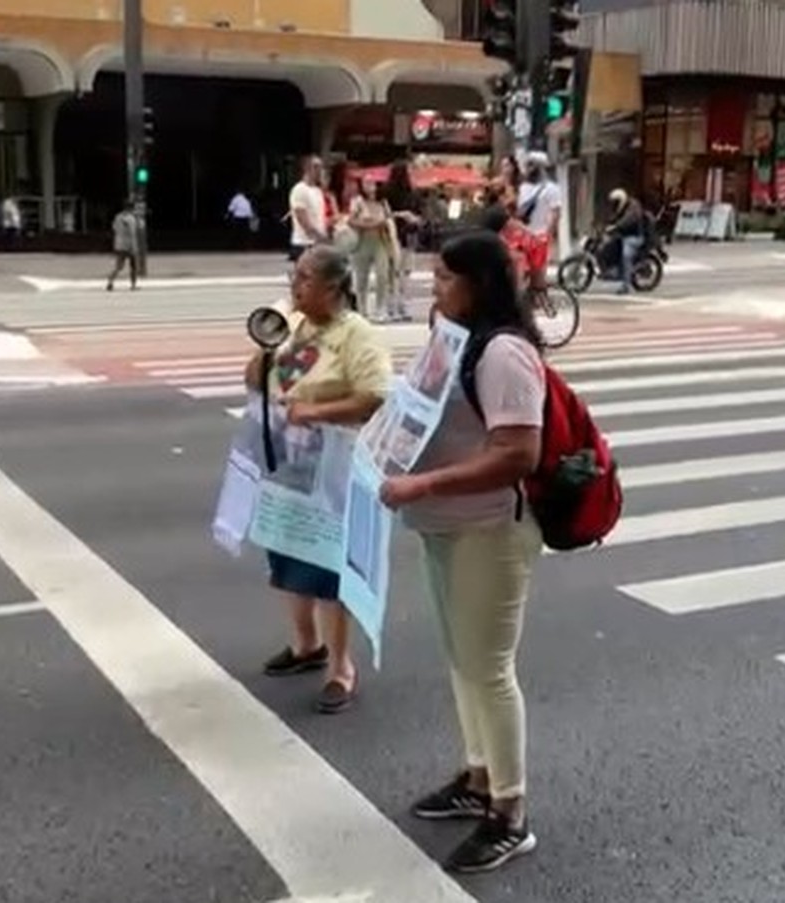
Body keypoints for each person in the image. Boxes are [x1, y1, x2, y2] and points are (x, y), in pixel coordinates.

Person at [379, 231, 546, 874]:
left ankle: (510, 812)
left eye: (445, 277)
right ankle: (478, 779)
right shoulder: (454, 342)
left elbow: (517, 454)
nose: (433, 286)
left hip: (490, 530)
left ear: (478, 283)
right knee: (462, 660)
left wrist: (420, 484)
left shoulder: (504, 352)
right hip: (446, 525)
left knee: (490, 669)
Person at [244, 245, 393, 714]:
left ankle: (340, 667)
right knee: (289, 554)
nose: (295, 284)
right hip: (290, 464)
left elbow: (374, 396)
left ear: (332, 287)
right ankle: (306, 645)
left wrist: (317, 411)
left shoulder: (356, 335)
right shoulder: (300, 331)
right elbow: (256, 382)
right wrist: (267, 345)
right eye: (295, 275)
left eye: (305, 278)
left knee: (328, 567)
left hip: (335, 466)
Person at [348, 177, 394, 322]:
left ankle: (381, 309)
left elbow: (389, 219)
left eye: (373, 183)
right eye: (366, 183)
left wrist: (385, 224)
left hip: (380, 242)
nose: (370, 186)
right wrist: (369, 224)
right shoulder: (357, 202)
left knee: (382, 275)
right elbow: (351, 220)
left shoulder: (383, 202)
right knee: (361, 277)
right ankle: (362, 310)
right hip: (362, 242)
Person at [384, 160, 422, 322]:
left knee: (404, 272)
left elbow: (420, 216)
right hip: (393, 234)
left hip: (407, 235)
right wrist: (402, 215)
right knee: (394, 271)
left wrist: (414, 218)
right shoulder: (387, 192)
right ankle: (393, 305)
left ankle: (401, 304)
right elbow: (384, 213)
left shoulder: (414, 193)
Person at [480, 202, 548, 293]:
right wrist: (534, 235)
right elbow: (517, 225)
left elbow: (515, 228)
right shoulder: (502, 215)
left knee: (517, 255)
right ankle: (517, 289)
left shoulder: (499, 213)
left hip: (487, 240)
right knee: (518, 258)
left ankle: (516, 285)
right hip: (488, 241)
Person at [517, 152, 561, 263]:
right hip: (521, 238)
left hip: (539, 237)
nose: (528, 168)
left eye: (532, 165)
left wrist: (547, 236)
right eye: (527, 164)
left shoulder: (551, 189)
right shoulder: (522, 187)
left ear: (541, 167)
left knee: (537, 272)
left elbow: (555, 214)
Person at [288, 156, 328, 265]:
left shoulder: (318, 191)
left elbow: (320, 217)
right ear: (308, 169)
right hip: (304, 244)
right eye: (317, 167)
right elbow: (303, 220)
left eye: (321, 167)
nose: (320, 171)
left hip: (317, 244)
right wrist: (321, 237)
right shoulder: (299, 190)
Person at [604, 188, 645, 295]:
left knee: (626, 255)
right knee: (608, 245)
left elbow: (629, 219)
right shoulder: (619, 207)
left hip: (634, 236)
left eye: (615, 201)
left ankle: (626, 286)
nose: (613, 204)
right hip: (623, 235)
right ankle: (612, 268)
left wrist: (616, 226)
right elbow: (614, 217)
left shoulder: (633, 206)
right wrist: (605, 223)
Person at [106, 200, 140, 292]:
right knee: (133, 266)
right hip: (129, 245)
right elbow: (132, 233)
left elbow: (114, 228)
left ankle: (110, 281)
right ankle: (133, 285)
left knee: (118, 266)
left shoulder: (118, 217)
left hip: (119, 244)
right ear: (131, 208)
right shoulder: (131, 218)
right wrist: (134, 247)